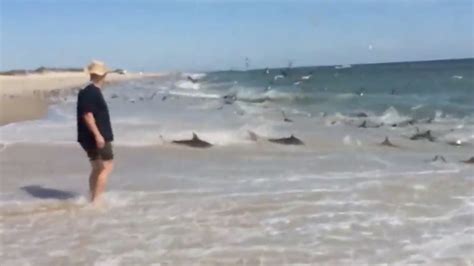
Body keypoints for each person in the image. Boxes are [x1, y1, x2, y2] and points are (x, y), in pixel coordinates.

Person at [77, 60, 114, 205]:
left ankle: (92, 197)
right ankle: (97, 201)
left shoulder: (87, 91)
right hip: (96, 136)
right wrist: (98, 135)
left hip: (88, 136)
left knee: (97, 167)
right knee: (106, 167)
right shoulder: (91, 92)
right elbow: (87, 115)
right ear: (103, 75)